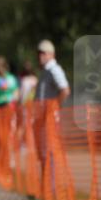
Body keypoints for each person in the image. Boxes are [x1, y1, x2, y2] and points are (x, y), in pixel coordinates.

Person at [33, 40, 70, 191]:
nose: (40, 56)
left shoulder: (54, 69)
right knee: (43, 150)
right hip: (42, 117)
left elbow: (65, 90)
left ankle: (51, 188)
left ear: (51, 54)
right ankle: (46, 186)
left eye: (44, 53)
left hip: (49, 118)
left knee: (49, 151)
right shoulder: (45, 71)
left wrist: (54, 108)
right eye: (39, 53)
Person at [0, 56, 19, 185]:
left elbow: (16, 92)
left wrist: (14, 101)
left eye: (0, 65)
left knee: (8, 140)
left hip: (9, 110)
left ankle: (6, 169)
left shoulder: (11, 78)